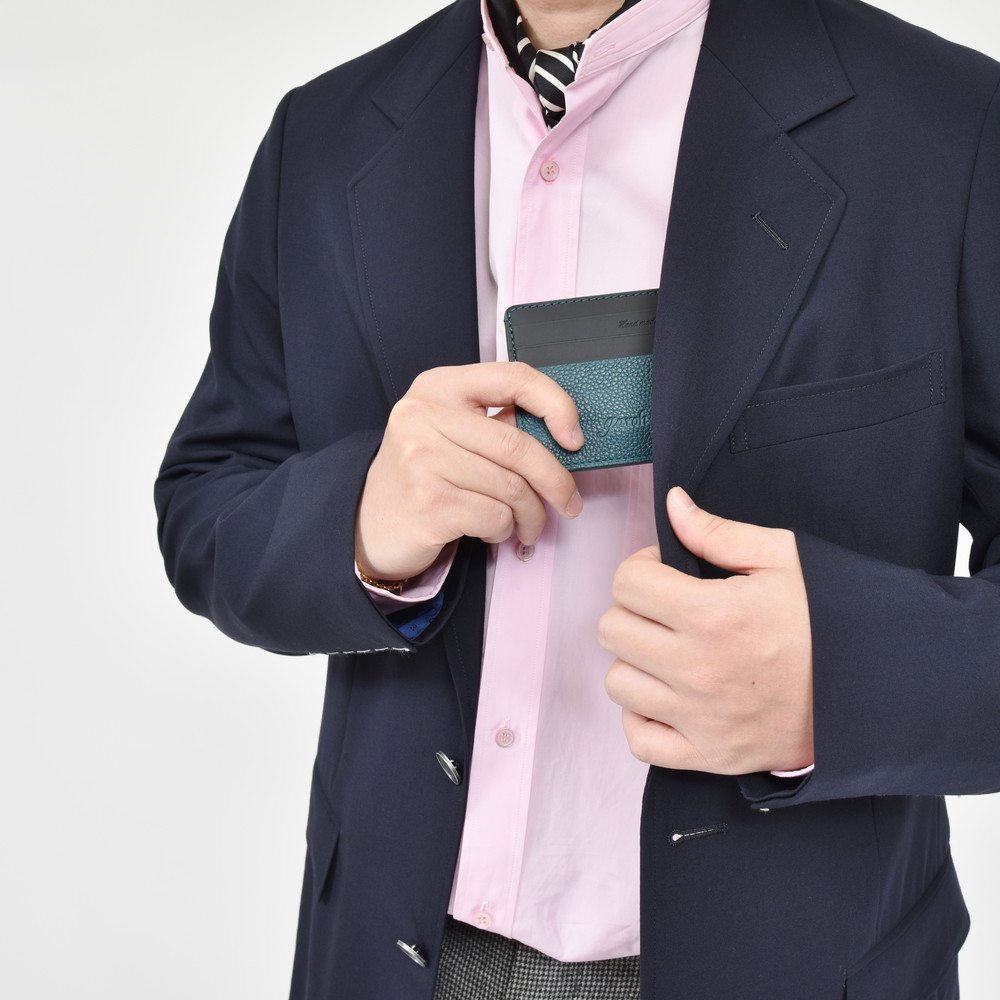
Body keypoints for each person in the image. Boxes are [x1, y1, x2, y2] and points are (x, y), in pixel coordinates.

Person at [154, 0, 1000, 996]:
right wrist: (363, 519)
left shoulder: (947, 123)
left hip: (793, 959)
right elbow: (207, 503)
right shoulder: (323, 133)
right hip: (395, 952)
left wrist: (846, 676)